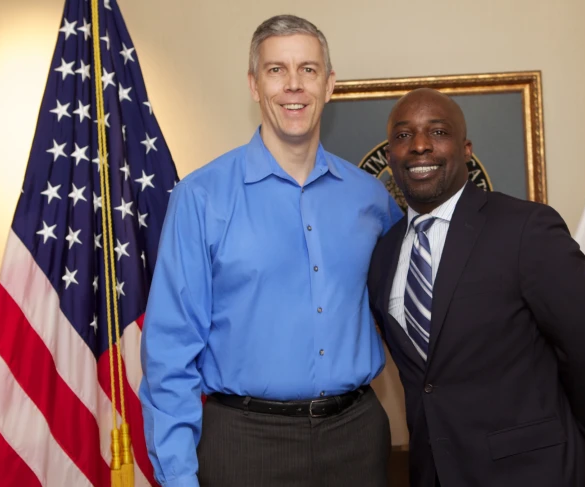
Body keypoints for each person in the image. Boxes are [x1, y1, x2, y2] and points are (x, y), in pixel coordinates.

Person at [139, 14, 403, 487]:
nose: (294, 85)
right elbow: (169, 352)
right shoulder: (200, 198)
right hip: (244, 443)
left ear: (329, 83)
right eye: (276, 70)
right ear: (254, 85)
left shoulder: (372, 199)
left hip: (357, 439)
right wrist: (177, 476)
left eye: (308, 69)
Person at [367, 88, 585, 487]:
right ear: (390, 155)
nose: (419, 146)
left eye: (437, 132)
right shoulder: (383, 254)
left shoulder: (526, 228)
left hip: (536, 472)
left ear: (466, 148)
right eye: (403, 136)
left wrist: (572, 435)